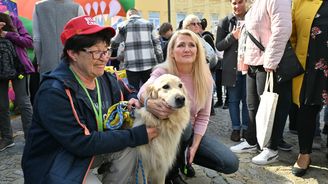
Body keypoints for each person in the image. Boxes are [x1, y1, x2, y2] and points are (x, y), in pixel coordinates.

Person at [22, 15, 158, 184]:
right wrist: (137, 135)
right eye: (96, 52)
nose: (104, 58)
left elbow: (130, 92)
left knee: (133, 150)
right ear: (72, 53)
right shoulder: (54, 91)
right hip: (59, 161)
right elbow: (81, 142)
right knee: (133, 140)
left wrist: (133, 100)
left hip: (91, 151)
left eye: (106, 50)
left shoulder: (106, 79)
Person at [138, 29, 239, 184]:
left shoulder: (205, 79)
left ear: (198, 51)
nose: (187, 49)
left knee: (230, 163)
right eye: (181, 45)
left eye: (192, 45)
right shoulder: (162, 71)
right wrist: (148, 103)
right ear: (171, 52)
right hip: (162, 132)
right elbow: (143, 91)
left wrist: (194, 146)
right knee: (182, 124)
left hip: (188, 134)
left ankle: (183, 159)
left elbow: (204, 117)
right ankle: (171, 172)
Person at [230, 0, 293, 165]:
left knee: (270, 108)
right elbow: (247, 37)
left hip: (268, 64)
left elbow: (282, 29)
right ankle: (252, 141)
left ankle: (271, 148)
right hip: (253, 63)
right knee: (253, 106)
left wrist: (271, 61)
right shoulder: (255, 5)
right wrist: (244, 63)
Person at [290, 0, 328, 177]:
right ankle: (304, 154)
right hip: (310, 67)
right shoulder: (300, 2)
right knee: (306, 110)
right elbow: (292, 36)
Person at [0, 13, 34, 151]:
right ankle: (7, 138)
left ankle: (31, 138)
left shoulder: (14, 20)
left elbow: (29, 42)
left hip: (19, 67)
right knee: (2, 105)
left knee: (23, 102)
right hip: (1, 70)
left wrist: (7, 34)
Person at [216, 0, 248, 142]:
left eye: (240, 2)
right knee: (234, 101)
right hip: (232, 68)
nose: (236, 6)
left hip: (249, 67)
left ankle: (247, 129)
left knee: (248, 101)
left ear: (246, 2)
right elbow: (219, 45)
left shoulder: (253, 18)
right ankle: (236, 128)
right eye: (234, 3)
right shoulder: (225, 21)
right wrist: (232, 37)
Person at [111, 8, 163, 91]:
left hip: (131, 65)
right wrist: (160, 61)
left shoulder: (122, 25)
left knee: (134, 91)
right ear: (138, 14)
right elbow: (157, 43)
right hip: (148, 64)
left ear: (129, 15)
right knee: (150, 90)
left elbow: (114, 44)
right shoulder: (149, 24)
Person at [33, 0, 85, 75]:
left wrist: (39, 62)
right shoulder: (77, 8)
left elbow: (37, 39)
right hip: (72, 62)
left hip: (47, 62)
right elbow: (82, 38)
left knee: (49, 85)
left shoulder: (39, 7)